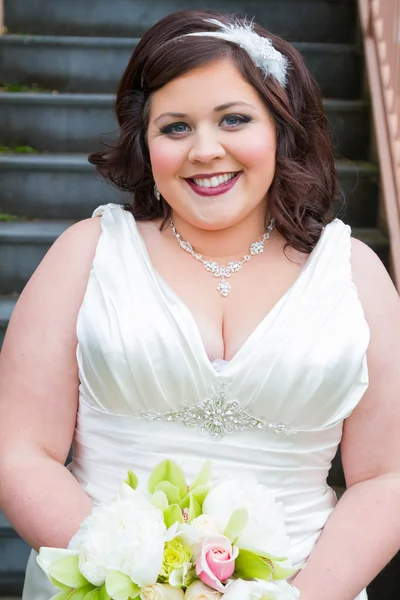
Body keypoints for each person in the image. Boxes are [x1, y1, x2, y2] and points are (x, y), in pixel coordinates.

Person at [0, 9, 399, 600]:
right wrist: (134, 584)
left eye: (234, 119)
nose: (205, 150)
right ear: (147, 142)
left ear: (281, 129)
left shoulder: (353, 272)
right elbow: (18, 448)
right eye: (175, 127)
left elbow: (386, 477)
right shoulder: (88, 254)